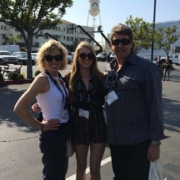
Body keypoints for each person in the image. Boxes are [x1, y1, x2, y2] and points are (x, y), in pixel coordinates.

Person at [104, 23, 167, 180]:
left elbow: (156, 107)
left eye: (125, 41)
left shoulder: (146, 68)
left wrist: (155, 143)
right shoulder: (110, 68)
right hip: (116, 141)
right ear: (111, 44)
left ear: (132, 43)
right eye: (116, 41)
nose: (120, 45)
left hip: (138, 142)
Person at [14, 39, 69, 180]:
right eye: (49, 58)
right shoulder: (43, 79)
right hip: (52, 134)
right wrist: (40, 126)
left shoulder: (59, 78)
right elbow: (19, 108)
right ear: (43, 60)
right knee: (52, 175)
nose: (54, 61)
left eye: (57, 57)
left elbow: (55, 100)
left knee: (60, 173)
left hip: (64, 130)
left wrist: (41, 105)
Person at [67, 41, 107, 180]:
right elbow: (58, 96)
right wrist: (41, 106)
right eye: (82, 55)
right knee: (81, 168)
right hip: (79, 125)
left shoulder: (102, 77)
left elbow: (112, 98)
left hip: (98, 124)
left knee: (95, 170)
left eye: (90, 55)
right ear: (77, 57)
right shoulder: (69, 78)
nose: (86, 58)